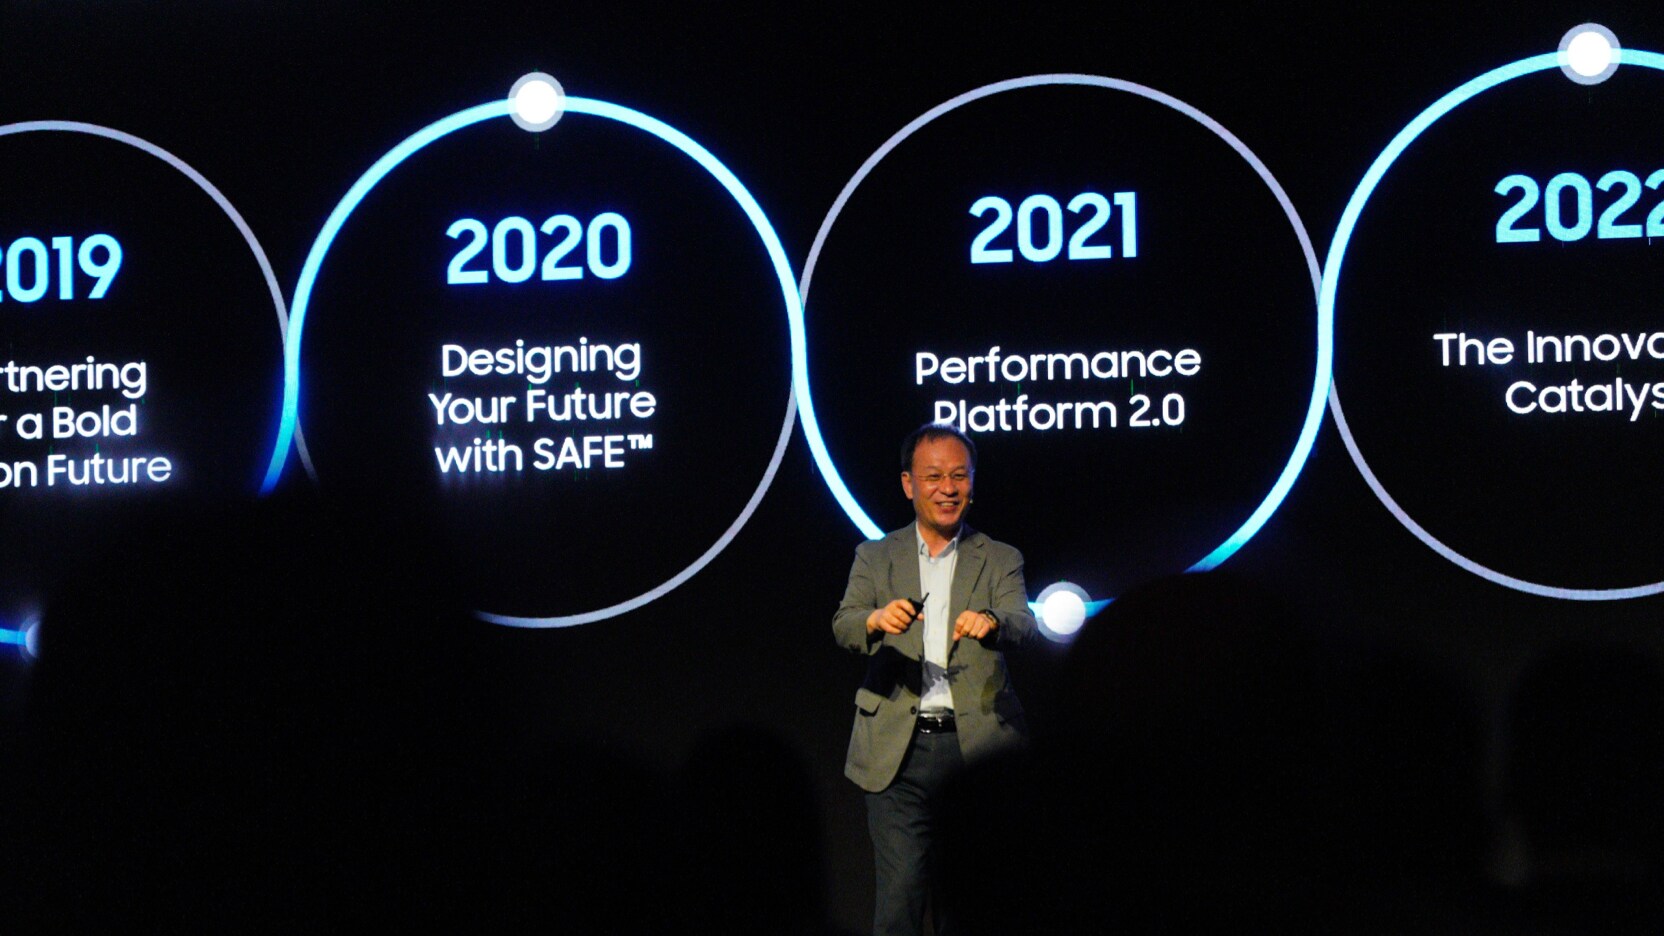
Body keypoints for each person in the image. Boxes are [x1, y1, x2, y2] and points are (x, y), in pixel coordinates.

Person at [832, 422, 1036, 936]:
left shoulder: (1000, 557)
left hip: (977, 748)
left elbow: (1022, 622)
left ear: (972, 482)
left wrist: (991, 622)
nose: (948, 489)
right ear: (909, 484)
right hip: (895, 753)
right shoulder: (875, 556)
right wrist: (876, 619)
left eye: (959, 476)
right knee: (900, 897)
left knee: (969, 900)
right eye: (934, 477)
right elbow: (845, 624)